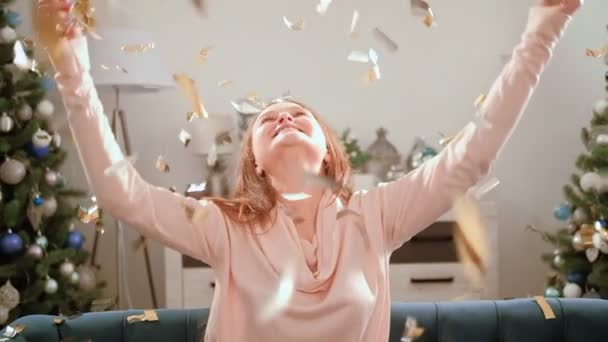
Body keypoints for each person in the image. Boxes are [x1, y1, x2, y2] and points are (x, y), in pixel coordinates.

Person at [36, 0, 582, 341]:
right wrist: (71, 65)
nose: (286, 116)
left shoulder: (377, 215)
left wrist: (541, 32)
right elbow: (120, 191)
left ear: (328, 153)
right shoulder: (224, 225)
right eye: (269, 118)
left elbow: (474, 153)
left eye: (300, 115)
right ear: (252, 159)